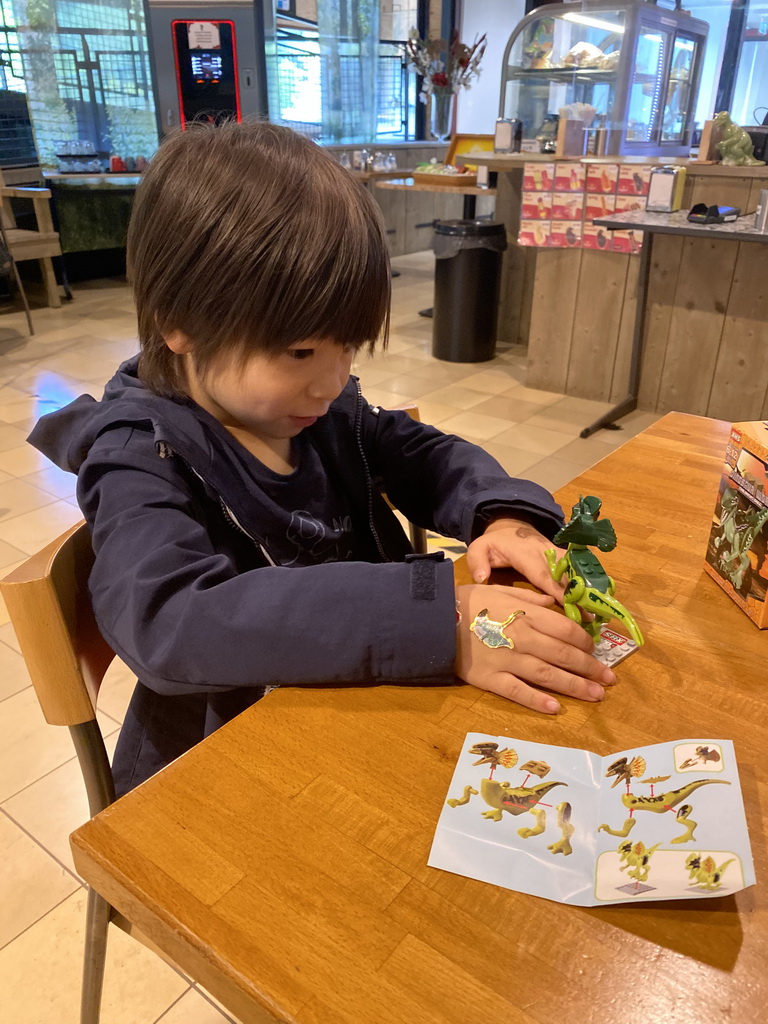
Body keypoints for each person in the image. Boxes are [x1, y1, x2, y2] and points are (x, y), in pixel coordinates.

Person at [30, 121, 615, 796]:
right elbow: (171, 622)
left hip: (367, 704)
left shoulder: (318, 410)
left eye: (350, 349)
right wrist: (439, 620)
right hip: (230, 769)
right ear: (179, 321)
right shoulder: (136, 457)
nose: (332, 383)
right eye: (302, 353)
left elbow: (421, 454)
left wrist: (503, 514)